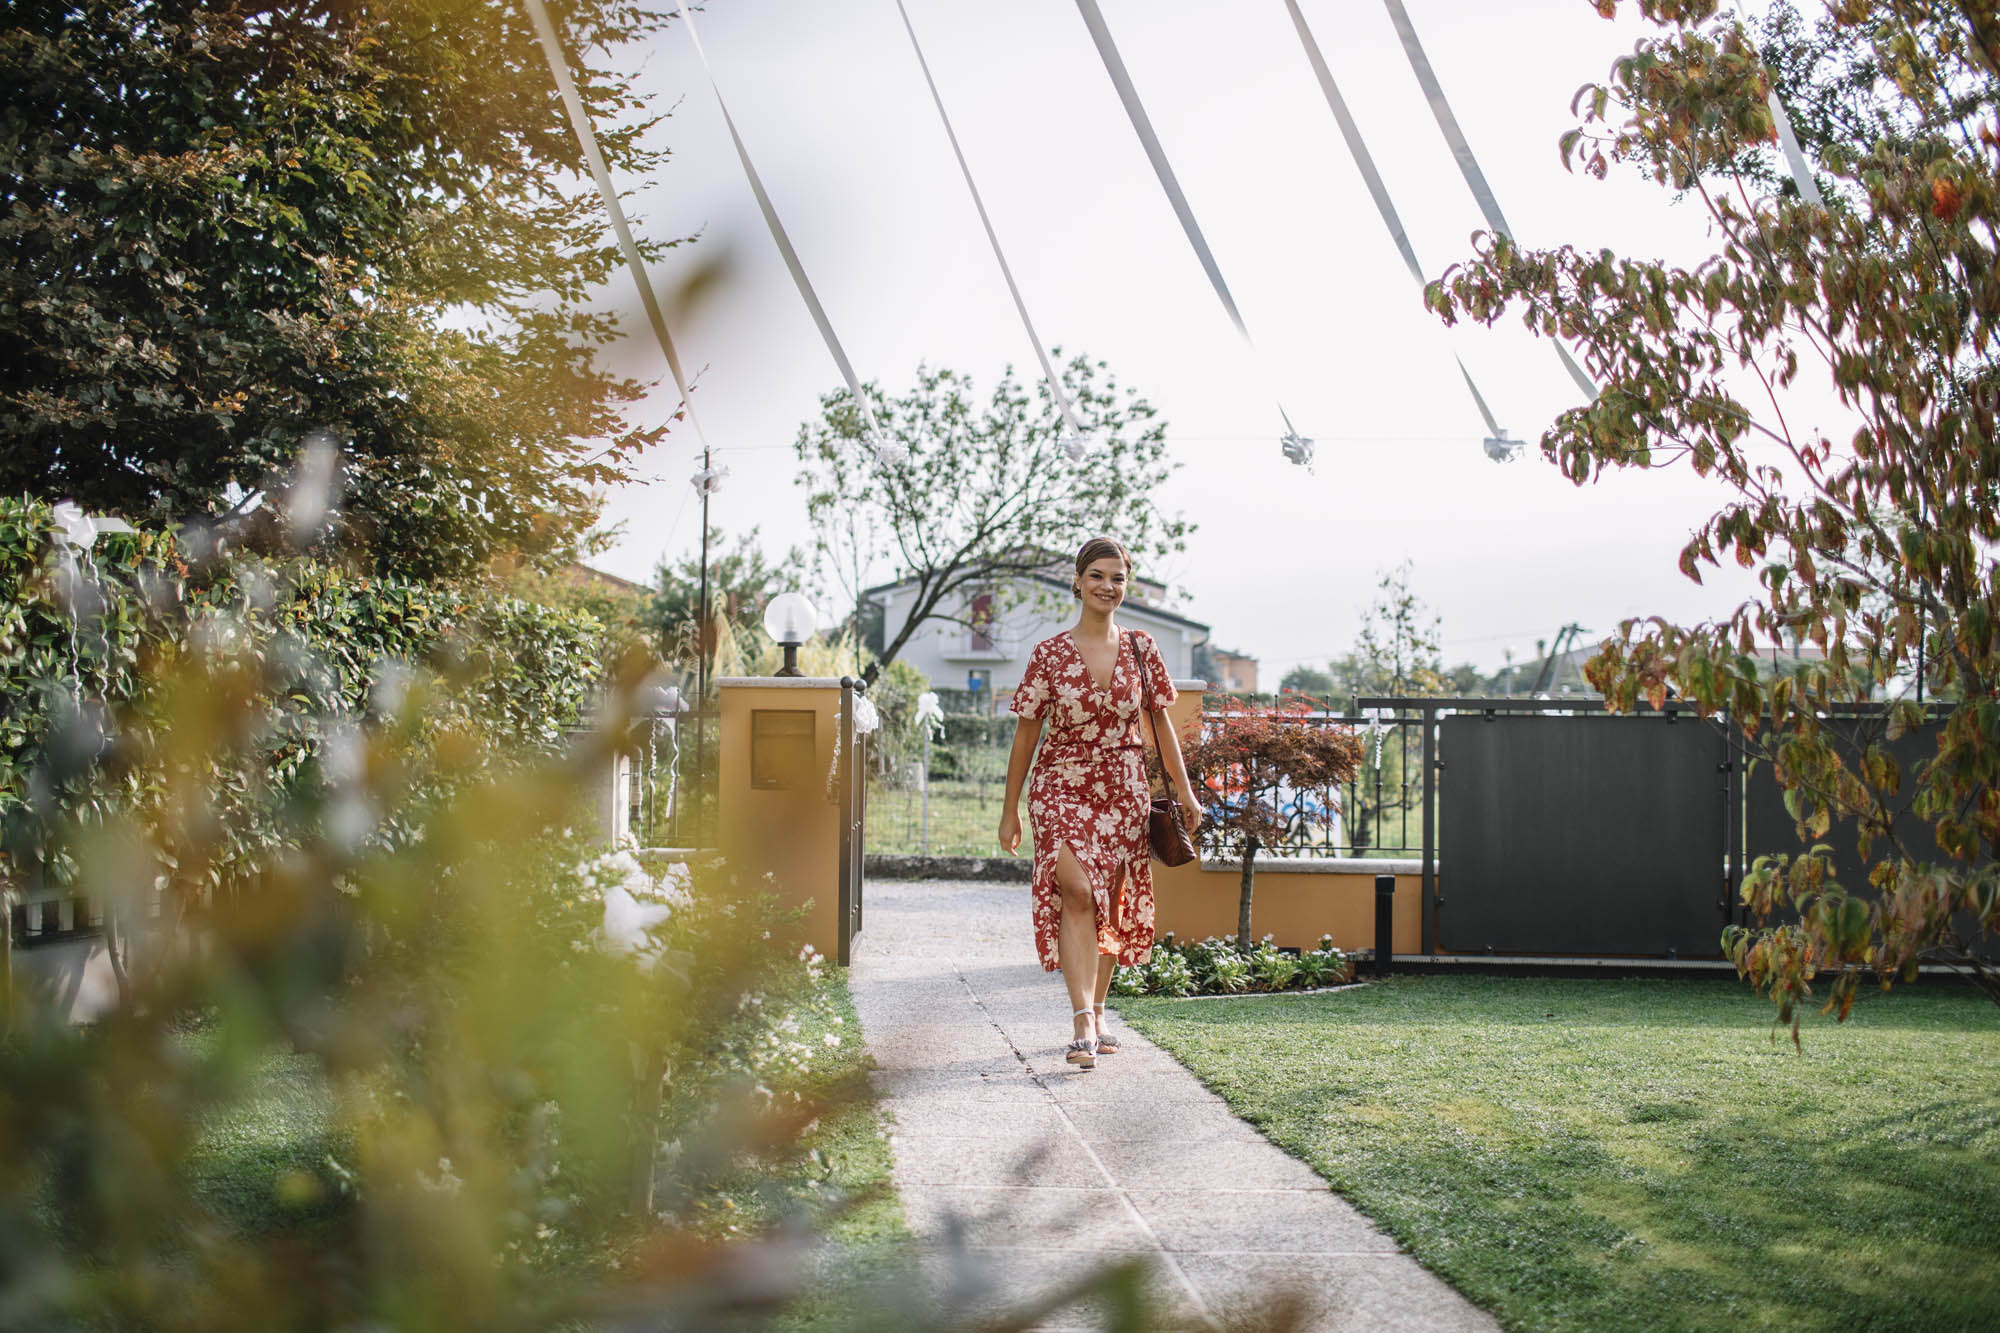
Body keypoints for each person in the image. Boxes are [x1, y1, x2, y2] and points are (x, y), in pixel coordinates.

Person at [998, 537, 1202, 1069]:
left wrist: (1183, 790)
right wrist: (1010, 807)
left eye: (1117, 578)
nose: (1108, 587)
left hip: (1125, 786)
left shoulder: (1143, 648)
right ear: (1077, 581)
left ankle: (1101, 1008)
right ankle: (1081, 1019)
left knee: (1109, 899)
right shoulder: (1049, 654)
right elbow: (1025, 734)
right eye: (1097, 576)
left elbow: (1161, 723)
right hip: (1060, 784)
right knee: (1079, 890)